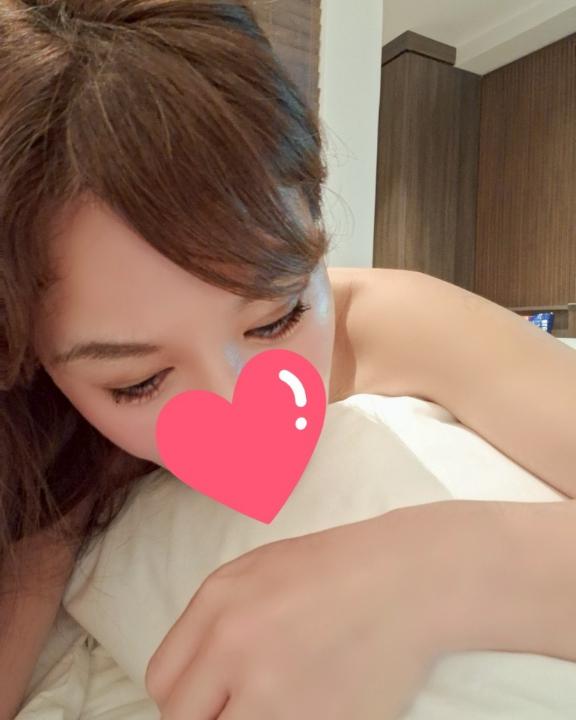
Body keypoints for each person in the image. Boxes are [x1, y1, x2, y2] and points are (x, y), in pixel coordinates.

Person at [1, 1, 575, 718]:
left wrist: (431, 572)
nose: (233, 404)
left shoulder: (396, 320)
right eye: (137, 381)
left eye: (278, 317)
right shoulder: (43, 447)